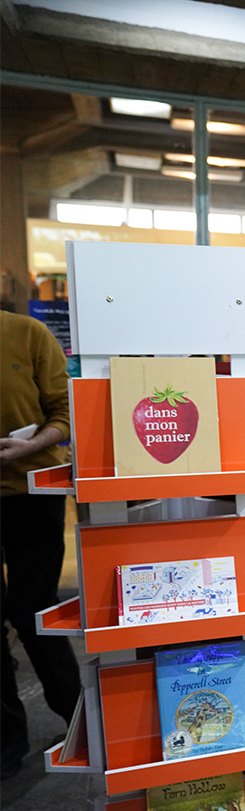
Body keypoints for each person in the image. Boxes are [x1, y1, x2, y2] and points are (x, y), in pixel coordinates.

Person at [1, 309, 82, 779]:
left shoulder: (27, 331)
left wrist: (31, 446)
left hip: (32, 490)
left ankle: (75, 716)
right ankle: (7, 739)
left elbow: (64, 411)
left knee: (34, 608)